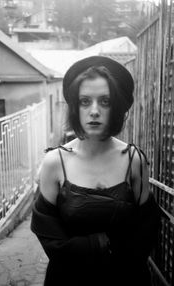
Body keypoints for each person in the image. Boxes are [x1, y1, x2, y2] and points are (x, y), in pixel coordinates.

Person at [31, 56, 163, 286]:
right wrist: (104, 245)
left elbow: (147, 229)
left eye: (104, 101)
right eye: (84, 101)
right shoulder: (55, 161)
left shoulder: (134, 160)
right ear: (75, 106)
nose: (94, 111)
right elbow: (50, 237)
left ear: (118, 107)